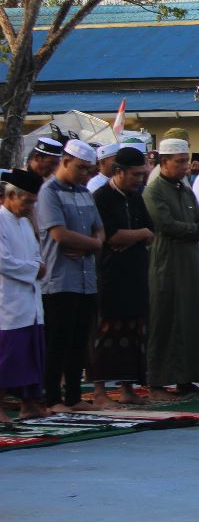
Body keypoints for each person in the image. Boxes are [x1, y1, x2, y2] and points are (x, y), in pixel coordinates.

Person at [36, 139, 104, 412]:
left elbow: (100, 230)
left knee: (79, 341)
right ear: (65, 162)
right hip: (59, 279)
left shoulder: (84, 192)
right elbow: (58, 234)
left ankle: (74, 397)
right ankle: (53, 399)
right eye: (81, 168)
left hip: (86, 278)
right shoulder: (48, 192)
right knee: (58, 342)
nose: (86, 174)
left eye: (89, 169)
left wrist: (91, 244)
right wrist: (92, 243)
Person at [141, 138, 199, 399]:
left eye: (185, 161)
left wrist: (197, 228)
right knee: (165, 318)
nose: (185, 167)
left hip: (190, 261)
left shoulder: (184, 188)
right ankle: (157, 381)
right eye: (179, 162)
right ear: (163, 162)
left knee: (190, 318)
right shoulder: (155, 190)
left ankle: (187, 378)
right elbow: (165, 224)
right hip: (166, 262)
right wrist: (196, 230)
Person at [89, 146, 153, 407]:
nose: (139, 180)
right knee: (105, 333)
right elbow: (111, 236)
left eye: (141, 174)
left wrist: (135, 236)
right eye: (135, 175)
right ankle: (100, 392)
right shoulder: (102, 197)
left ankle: (128, 389)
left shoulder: (136, 196)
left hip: (136, 272)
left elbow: (150, 228)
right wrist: (138, 235)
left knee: (134, 331)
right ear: (118, 171)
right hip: (111, 274)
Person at [0, 170, 50, 421]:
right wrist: (34, 269)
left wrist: (38, 266)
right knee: (8, 357)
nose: (30, 207)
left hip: (30, 299)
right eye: (27, 201)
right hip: (8, 302)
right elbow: (3, 261)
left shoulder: (24, 221)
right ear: (10, 195)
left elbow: (36, 255)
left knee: (31, 354)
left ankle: (29, 404)